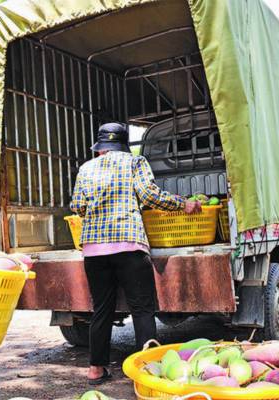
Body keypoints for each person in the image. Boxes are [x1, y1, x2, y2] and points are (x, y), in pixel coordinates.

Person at [70, 123, 200, 385]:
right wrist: (182, 204)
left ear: (99, 149)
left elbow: (78, 206)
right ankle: (147, 370)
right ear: (122, 145)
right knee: (142, 308)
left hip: (94, 250)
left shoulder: (86, 169)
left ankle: (96, 368)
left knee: (101, 309)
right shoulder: (135, 162)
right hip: (129, 245)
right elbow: (149, 196)